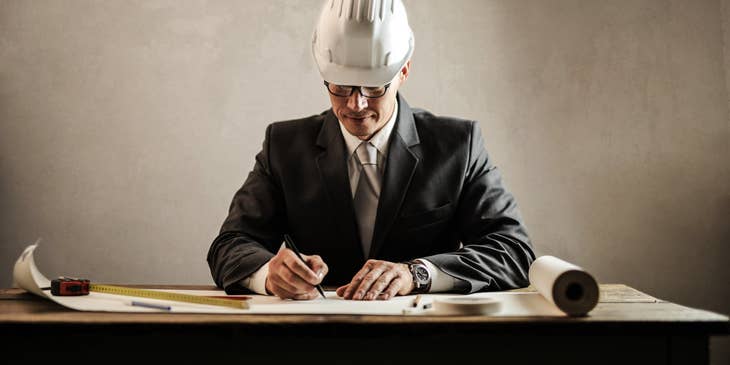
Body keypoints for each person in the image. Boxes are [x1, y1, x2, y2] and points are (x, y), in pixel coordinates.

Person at [207, 0, 535, 301]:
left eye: (374, 87)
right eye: (340, 87)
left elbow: (514, 250)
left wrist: (417, 274)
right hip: (313, 339)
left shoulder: (458, 146)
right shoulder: (284, 146)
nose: (356, 104)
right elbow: (229, 246)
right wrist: (268, 275)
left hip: (427, 341)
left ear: (403, 72)